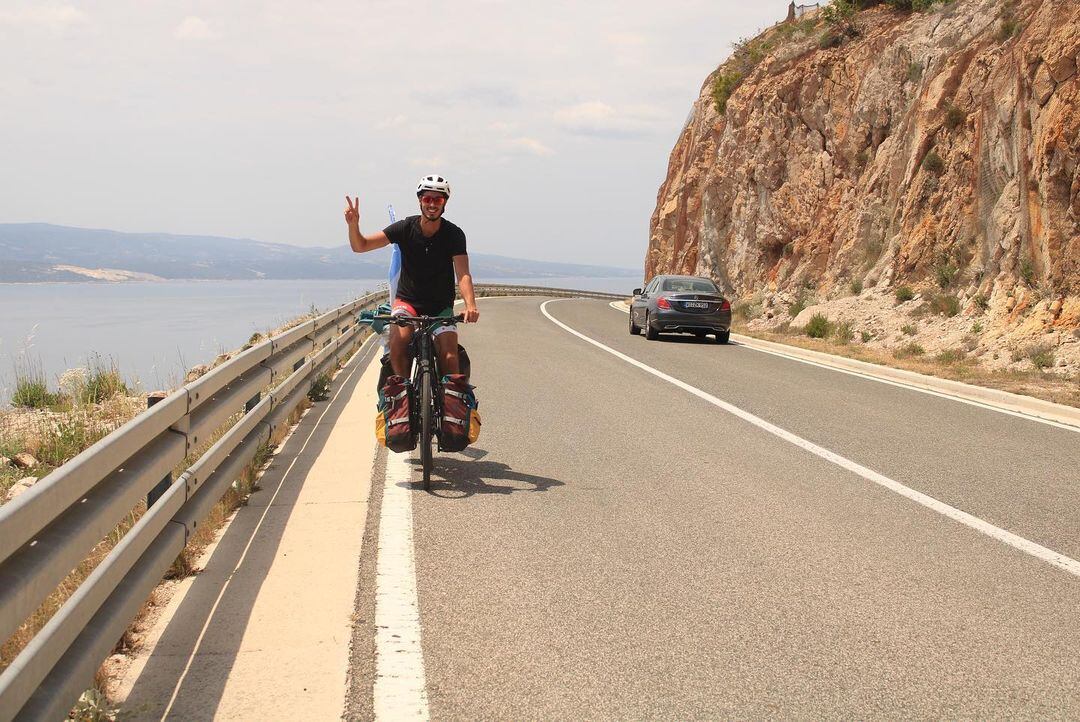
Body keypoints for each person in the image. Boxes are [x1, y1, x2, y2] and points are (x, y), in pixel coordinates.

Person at [344, 175, 479, 378]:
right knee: (398, 347)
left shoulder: (454, 234)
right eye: (427, 199)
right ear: (420, 201)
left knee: (450, 357)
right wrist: (353, 225)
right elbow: (360, 246)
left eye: (438, 200)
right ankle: (402, 398)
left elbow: (463, 274)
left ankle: (449, 403)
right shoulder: (405, 228)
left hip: (440, 307)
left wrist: (470, 305)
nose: (432, 204)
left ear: (445, 203)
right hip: (408, 303)